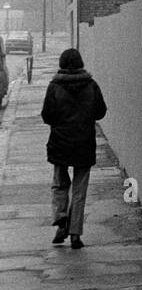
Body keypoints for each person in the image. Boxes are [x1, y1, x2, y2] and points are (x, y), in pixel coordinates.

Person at [40, 48, 107, 249]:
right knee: (80, 190)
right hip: (84, 143)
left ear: (61, 64)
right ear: (80, 63)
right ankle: (75, 233)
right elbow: (101, 112)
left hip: (60, 143)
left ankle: (61, 219)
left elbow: (47, 116)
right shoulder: (91, 85)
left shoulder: (54, 87)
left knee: (59, 184)